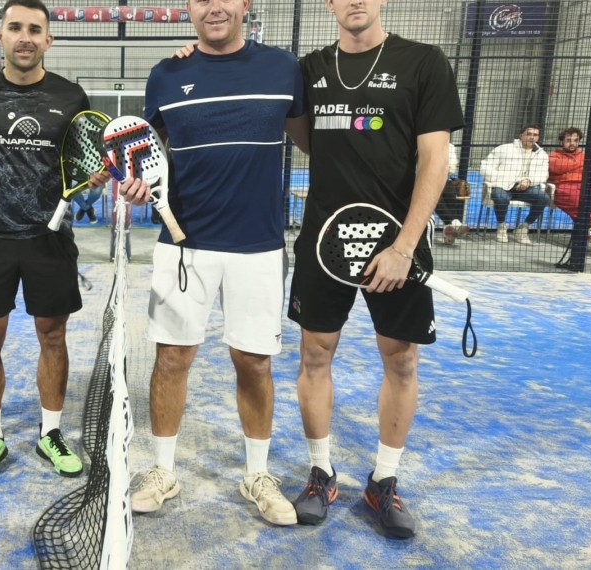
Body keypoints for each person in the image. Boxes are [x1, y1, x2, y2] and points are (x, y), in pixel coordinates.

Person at [121, 0, 308, 527]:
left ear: (246, 4)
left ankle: (257, 475)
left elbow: (315, 143)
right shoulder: (167, 73)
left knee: (254, 362)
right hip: (184, 246)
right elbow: (143, 155)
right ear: (188, 8)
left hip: (260, 248)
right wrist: (137, 185)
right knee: (172, 360)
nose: (215, 7)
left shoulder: (284, 68)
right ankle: (162, 471)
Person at [283, 0, 463, 539]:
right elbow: (303, 134)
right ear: (330, 5)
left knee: (401, 359)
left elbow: (436, 159)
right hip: (324, 240)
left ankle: (384, 480)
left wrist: (404, 247)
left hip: (398, 244)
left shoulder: (424, 62)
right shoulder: (309, 70)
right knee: (315, 353)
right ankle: (321, 474)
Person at [0, 0, 111, 483]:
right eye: (15, 28)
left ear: (48, 39)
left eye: (34, 30)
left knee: (53, 336)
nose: (24, 37)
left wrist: (95, 177)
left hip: (50, 240)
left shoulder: (71, 96)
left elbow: (86, 163)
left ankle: (51, 432)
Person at [480, 125, 550, 245]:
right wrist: (501, 179)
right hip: (503, 185)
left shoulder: (542, 154)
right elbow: (485, 167)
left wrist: (529, 181)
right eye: (529, 134)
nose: (532, 137)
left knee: (543, 198)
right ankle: (502, 226)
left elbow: (543, 174)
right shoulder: (504, 149)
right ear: (521, 136)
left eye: (535, 135)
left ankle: (523, 228)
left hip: (526, 188)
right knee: (500, 197)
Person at [435, 142, 469, 245]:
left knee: (451, 193)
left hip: (442, 178)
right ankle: (454, 224)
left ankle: (450, 228)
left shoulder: (450, 147)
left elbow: (452, 167)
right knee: (435, 197)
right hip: (421, 179)